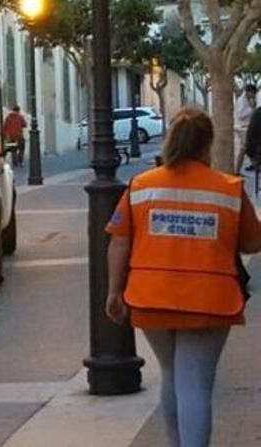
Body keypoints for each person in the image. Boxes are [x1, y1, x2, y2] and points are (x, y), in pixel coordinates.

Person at [105, 107, 261, 447]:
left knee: (172, 375)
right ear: (207, 144)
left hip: (150, 297)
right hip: (210, 301)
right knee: (195, 383)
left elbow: (119, 240)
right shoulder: (229, 189)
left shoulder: (141, 186)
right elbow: (252, 241)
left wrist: (114, 292)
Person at [234, 84, 256, 172]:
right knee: (243, 149)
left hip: (246, 126)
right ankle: (237, 170)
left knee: (246, 148)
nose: (254, 95)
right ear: (249, 92)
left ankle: (252, 163)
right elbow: (240, 115)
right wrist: (251, 109)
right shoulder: (241, 101)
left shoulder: (248, 100)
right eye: (253, 93)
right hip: (241, 127)